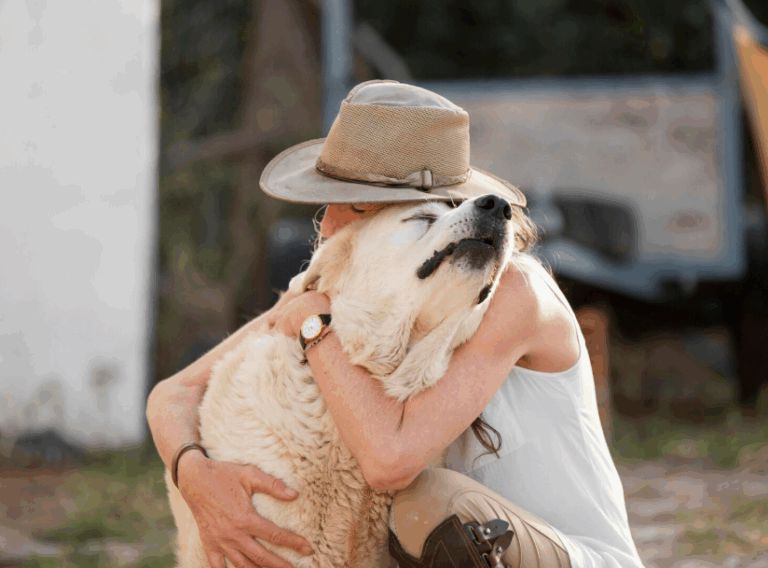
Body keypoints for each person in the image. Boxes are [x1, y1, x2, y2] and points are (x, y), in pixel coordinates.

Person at [146, 80, 643, 568]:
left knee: (426, 505)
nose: (328, 220)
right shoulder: (353, 288)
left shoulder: (512, 292)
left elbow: (390, 460)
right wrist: (195, 474)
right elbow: (172, 393)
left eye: (348, 201)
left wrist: (317, 325)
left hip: (576, 557)